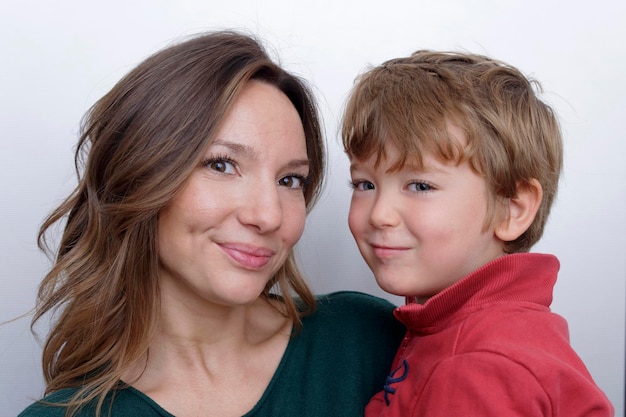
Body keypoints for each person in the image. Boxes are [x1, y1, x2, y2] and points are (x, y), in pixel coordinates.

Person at [18, 31, 405, 417]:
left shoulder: (368, 342)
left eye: (290, 180)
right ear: (139, 175)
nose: (269, 216)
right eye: (221, 165)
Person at [341, 50, 614, 416]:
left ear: (512, 208)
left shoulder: (477, 365)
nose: (380, 214)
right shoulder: (482, 327)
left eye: (420, 186)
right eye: (364, 184)